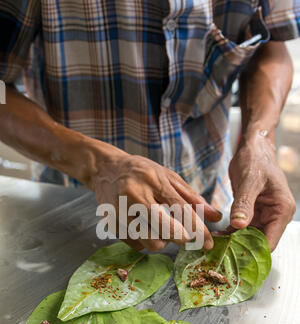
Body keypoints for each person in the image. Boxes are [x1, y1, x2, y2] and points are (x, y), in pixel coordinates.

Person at [0, 0, 298, 252]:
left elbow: (270, 50)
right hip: (77, 215)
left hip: (211, 204)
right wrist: (98, 165)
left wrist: (259, 140)